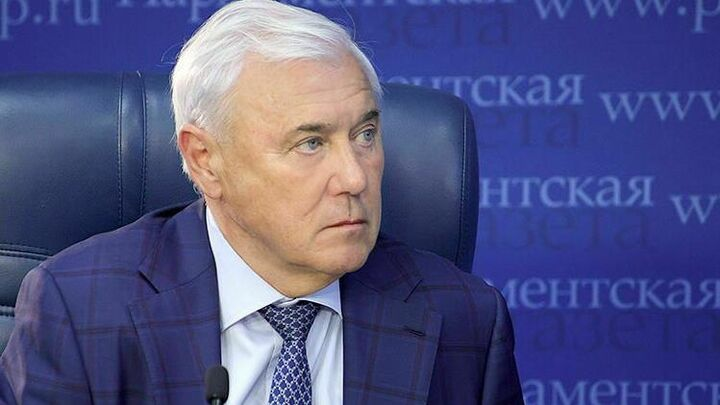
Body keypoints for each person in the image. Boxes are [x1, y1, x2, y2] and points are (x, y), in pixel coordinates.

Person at [0, 0, 523, 403]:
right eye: (310, 143)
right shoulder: (79, 309)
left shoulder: (466, 320)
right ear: (205, 160)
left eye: (365, 135)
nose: (354, 177)